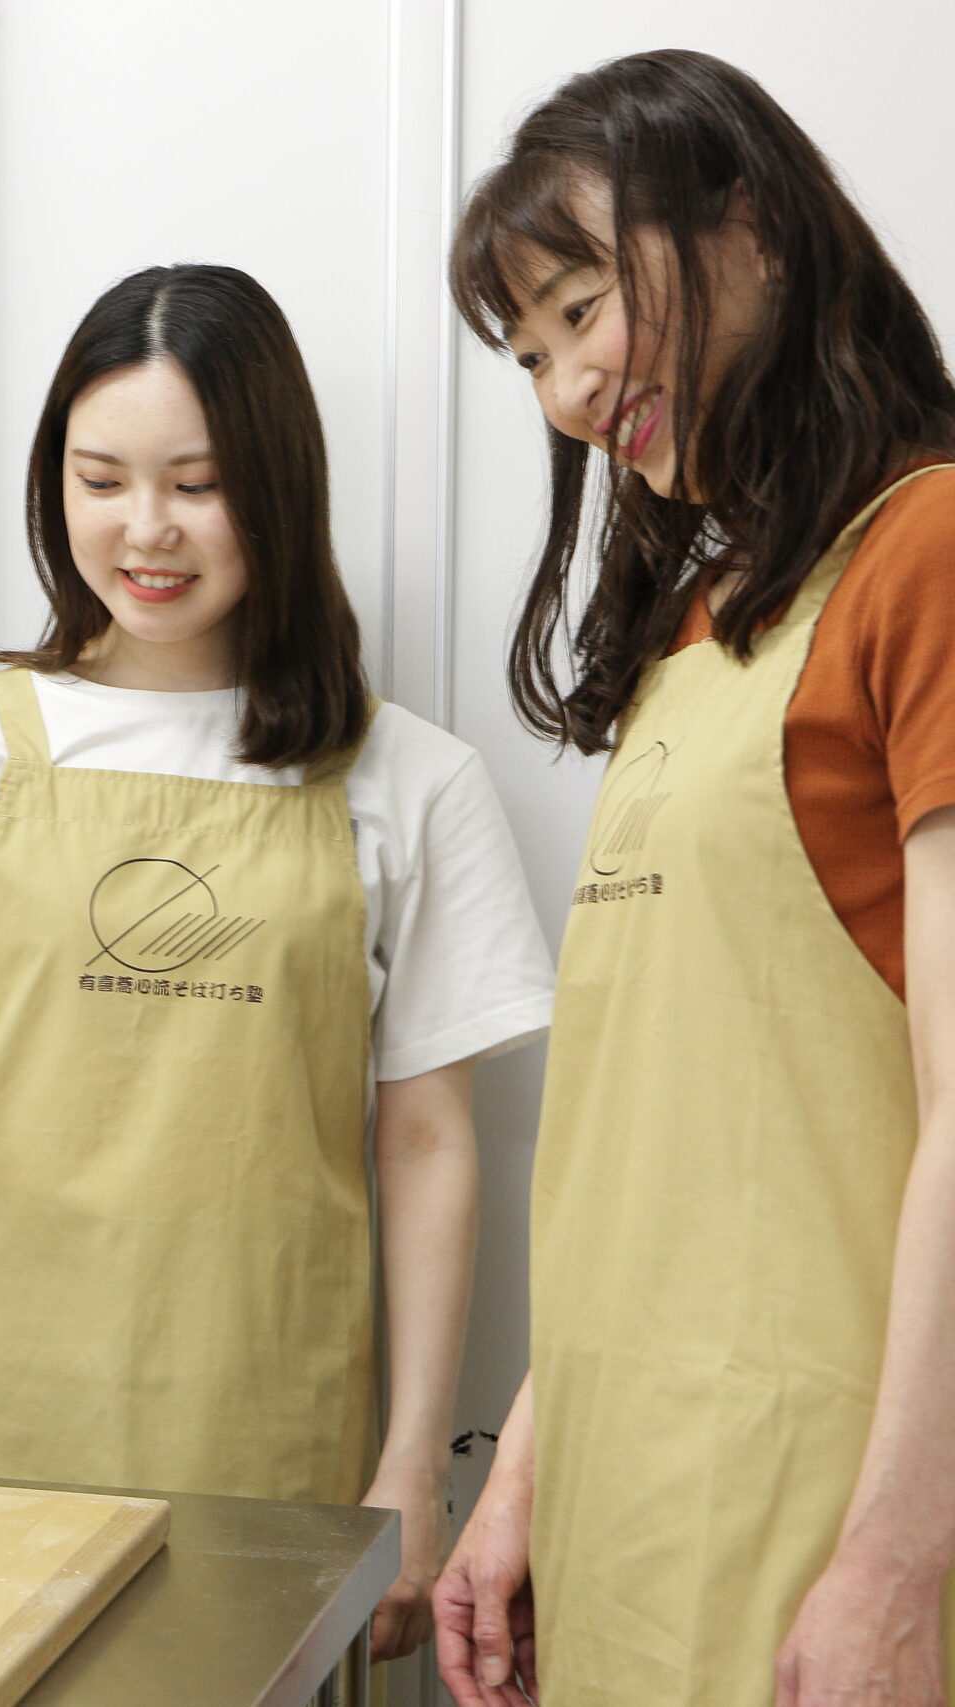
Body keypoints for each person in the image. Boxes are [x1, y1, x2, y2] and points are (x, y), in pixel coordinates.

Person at [0, 264, 553, 1662]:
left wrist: (411, 1472)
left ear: (280, 488)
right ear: (52, 484)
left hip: (271, 1428)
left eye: (198, 483)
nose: (147, 530)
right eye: (101, 478)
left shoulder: (407, 779)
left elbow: (431, 1145)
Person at [429, 50, 955, 1707]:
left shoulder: (928, 555)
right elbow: (639, 1139)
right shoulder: (685, 641)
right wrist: (520, 1476)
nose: (569, 388)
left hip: (823, 1514)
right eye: (528, 354)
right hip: (625, 1508)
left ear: (756, 231)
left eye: (583, 306)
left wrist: (891, 1563)